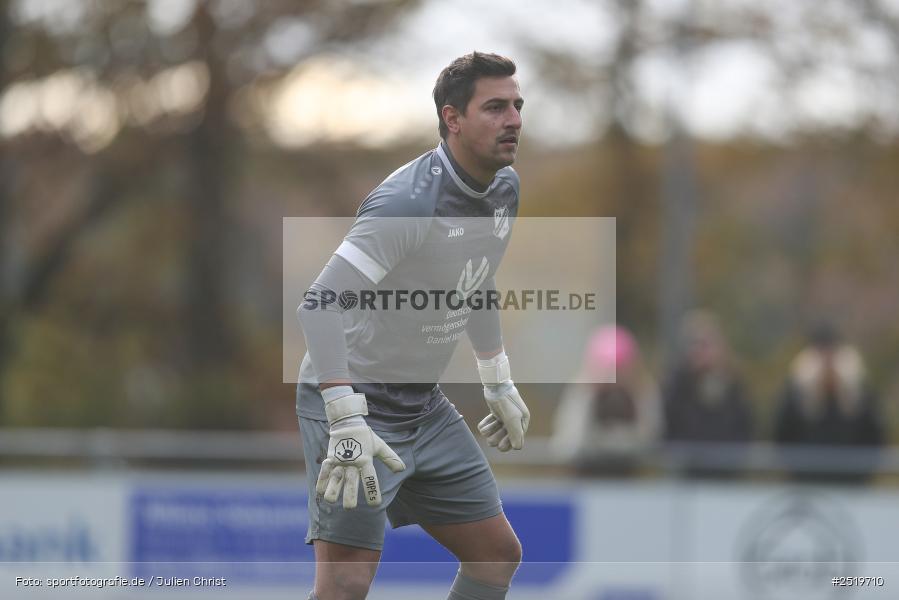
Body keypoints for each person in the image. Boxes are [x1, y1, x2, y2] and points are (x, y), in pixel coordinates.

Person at [296, 52, 528, 600]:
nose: (514, 118)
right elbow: (319, 304)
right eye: (495, 107)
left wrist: (497, 378)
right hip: (355, 406)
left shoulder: (504, 187)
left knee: (496, 557)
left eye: (517, 105)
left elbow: (476, 281)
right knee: (346, 586)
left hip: (423, 407)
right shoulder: (408, 203)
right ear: (452, 119)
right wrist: (344, 418)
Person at [773, 324, 883, 481]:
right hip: (805, 479)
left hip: (852, 482)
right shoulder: (796, 388)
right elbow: (782, 433)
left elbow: (874, 434)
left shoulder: (858, 388)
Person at [552, 325, 661, 475]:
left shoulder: (642, 391)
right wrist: (588, 394)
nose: (613, 378)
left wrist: (638, 396)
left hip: (629, 480)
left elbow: (650, 440)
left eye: (619, 370)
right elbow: (567, 445)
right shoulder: (581, 390)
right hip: (584, 476)